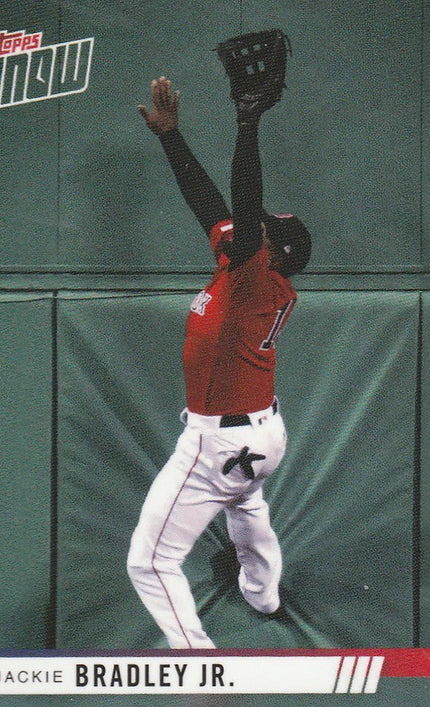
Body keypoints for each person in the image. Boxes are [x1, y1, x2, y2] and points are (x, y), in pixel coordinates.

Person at [127, 75, 311, 648]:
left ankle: (197, 661)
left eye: (259, 228)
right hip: (263, 433)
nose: (247, 221)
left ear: (270, 253)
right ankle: (264, 593)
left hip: (216, 443)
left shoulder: (256, 280)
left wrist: (248, 123)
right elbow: (212, 204)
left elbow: (244, 194)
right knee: (246, 499)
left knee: (149, 562)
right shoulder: (245, 268)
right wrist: (171, 137)